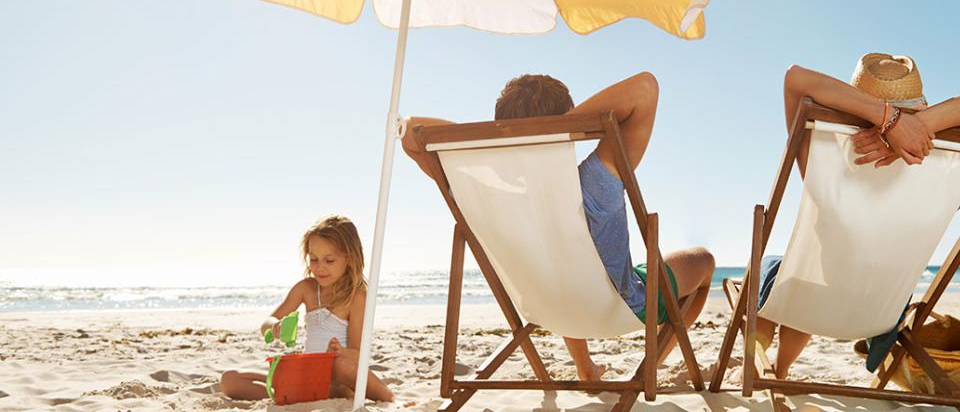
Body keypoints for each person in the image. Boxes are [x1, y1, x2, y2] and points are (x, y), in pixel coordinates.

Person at [401, 72, 715, 381]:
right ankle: (648, 368)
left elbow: (410, 133)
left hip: (546, 308)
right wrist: (559, 131)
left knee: (559, 268)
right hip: (623, 307)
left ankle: (585, 368)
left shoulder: (481, 193)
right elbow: (644, 88)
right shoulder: (595, 183)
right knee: (704, 261)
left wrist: (504, 142)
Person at [754, 53, 960, 380]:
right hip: (878, 316)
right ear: (920, 106)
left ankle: (772, 366)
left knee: (781, 271)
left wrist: (889, 120)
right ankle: (776, 366)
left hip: (807, 305)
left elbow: (795, 78)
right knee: (812, 280)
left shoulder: (825, 159)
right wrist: (918, 125)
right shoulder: (951, 180)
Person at [220, 215, 394, 402]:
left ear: (349, 259)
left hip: (337, 377)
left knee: (342, 365)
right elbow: (266, 325)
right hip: (307, 375)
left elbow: (359, 354)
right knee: (229, 380)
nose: (320, 268)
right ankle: (295, 394)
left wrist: (339, 352)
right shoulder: (306, 289)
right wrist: (275, 327)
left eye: (329, 260)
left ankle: (388, 397)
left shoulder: (356, 297)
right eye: (314, 259)